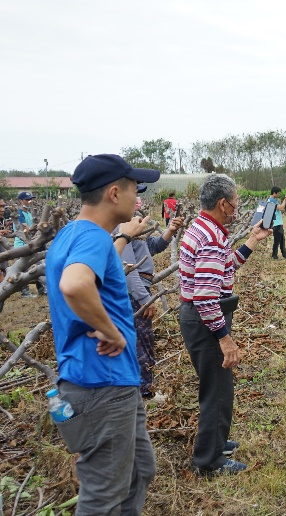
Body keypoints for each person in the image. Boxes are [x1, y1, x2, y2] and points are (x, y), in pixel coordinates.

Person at [45, 153, 159, 514]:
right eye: (133, 189)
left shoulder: (72, 235)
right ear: (113, 193)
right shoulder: (92, 238)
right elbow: (76, 284)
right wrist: (111, 331)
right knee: (103, 495)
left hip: (103, 382)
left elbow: (94, 263)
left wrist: (123, 237)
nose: (137, 197)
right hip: (102, 385)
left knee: (141, 469)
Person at [178, 173, 271, 476]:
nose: (237, 208)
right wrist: (224, 338)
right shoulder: (210, 238)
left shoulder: (204, 229)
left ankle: (216, 442)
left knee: (216, 386)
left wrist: (253, 240)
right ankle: (209, 461)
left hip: (199, 317)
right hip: (206, 319)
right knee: (217, 391)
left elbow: (225, 268)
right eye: (235, 202)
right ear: (223, 203)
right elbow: (206, 297)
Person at [121, 199, 184, 398]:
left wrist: (171, 230)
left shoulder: (133, 231)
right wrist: (144, 299)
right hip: (135, 292)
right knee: (141, 341)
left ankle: (139, 390)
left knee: (142, 340)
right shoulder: (122, 231)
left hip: (140, 288)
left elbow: (153, 247)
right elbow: (128, 270)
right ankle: (144, 392)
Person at [13, 192, 46, 297]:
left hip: (32, 243)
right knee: (23, 269)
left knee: (37, 265)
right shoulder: (19, 213)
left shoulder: (30, 213)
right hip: (21, 244)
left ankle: (41, 289)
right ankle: (25, 292)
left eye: (30, 199)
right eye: (27, 200)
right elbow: (25, 227)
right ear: (20, 201)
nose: (29, 201)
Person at [267, 186, 286, 260]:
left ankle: (284, 254)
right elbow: (281, 208)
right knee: (277, 240)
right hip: (276, 223)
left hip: (278, 223)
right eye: (278, 193)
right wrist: (285, 200)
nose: (279, 194)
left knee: (281, 240)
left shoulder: (273, 200)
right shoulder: (272, 200)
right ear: (274, 193)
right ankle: (275, 255)